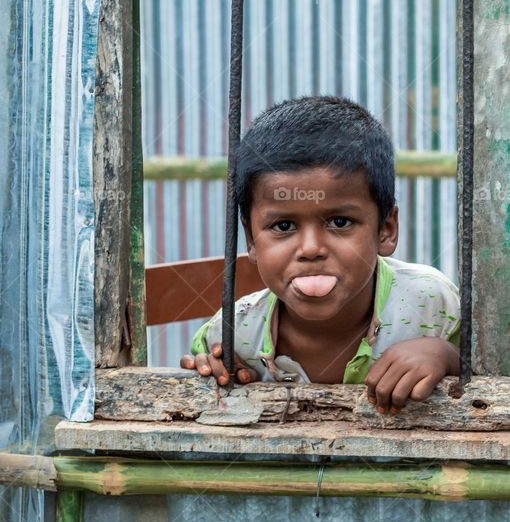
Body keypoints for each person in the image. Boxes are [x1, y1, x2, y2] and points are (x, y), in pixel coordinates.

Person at [180, 96, 461, 414]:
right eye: (283, 226)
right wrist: (213, 372)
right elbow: (197, 388)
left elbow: (491, 374)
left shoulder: (434, 306)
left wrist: (448, 357)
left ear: (386, 229)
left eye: (340, 222)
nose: (311, 248)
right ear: (251, 239)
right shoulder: (231, 334)